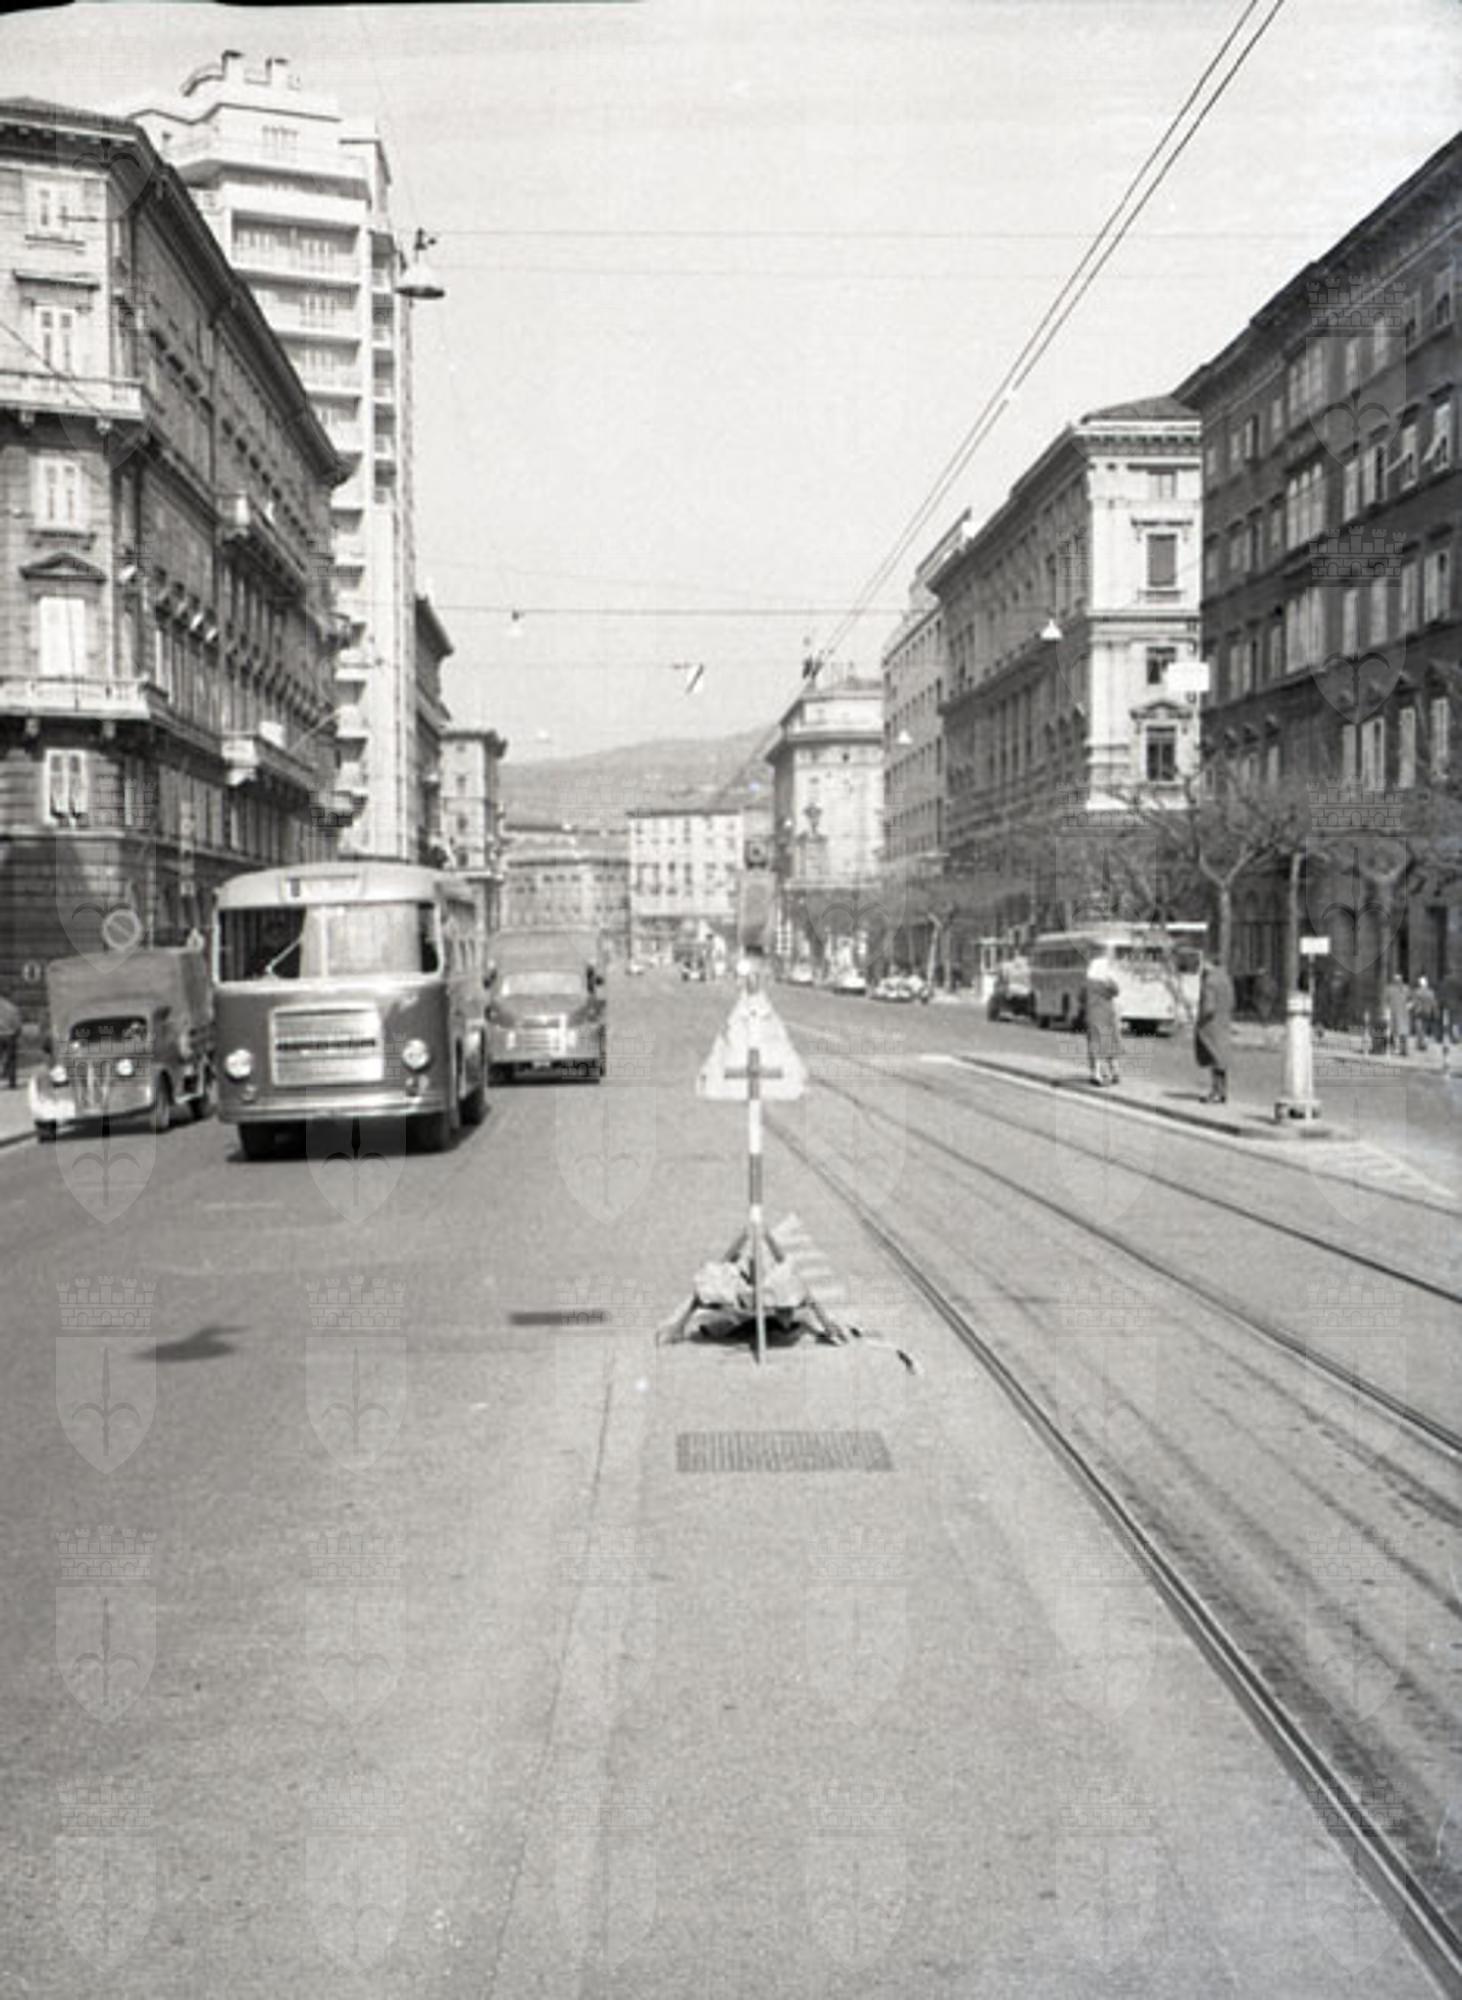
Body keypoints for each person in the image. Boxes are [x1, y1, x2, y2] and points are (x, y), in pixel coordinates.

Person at [1195, 953, 1234, 1104]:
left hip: (1211, 1024)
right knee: (1222, 1058)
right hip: (1224, 1021)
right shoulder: (1226, 979)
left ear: (1208, 963)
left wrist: (1200, 1019)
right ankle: (1223, 1091)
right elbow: (1233, 1001)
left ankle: (1215, 1092)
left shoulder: (1210, 981)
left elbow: (1208, 1007)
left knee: (1213, 1058)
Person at [1083, 953, 1122, 1087]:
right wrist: (1109, 979)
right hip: (1108, 1016)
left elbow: (1080, 997)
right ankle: (1115, 1072)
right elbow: (1116, 991)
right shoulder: (1107, 983)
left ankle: (1097, 1074)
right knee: (1110, 1043)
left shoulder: (1087, 984)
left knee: (1095, 1045)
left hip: (1093, 1016)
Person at [1384, 970, 1411, 1058]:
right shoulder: (1390, 989)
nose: (1398, 982)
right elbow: (1386, 1001)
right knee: (1396, 1032)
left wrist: (1408, 1006)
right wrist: (1387, 1011)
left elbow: (1411, 1000)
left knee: (1401, 1032)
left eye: (1399, 980)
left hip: (1402, 1013)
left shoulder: (1405, 989)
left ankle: (1403, 1049)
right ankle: (1397, 1049)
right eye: (1396, 980)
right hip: (1394, 1013)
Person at [1410, 974, 1437, 1052]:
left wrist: (1411, 1008)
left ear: (1420, 983)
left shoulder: (1417, 991)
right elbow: (1433, 1003)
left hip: (1419, 1011)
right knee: (1424, 1028)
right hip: (1427, 1012)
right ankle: (1423, 1043)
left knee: (1419, 1028)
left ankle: (1420, 1043)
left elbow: (1414, 1002)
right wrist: (1434, 1011)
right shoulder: (1431, 992)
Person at [0, 993, 20, 1089]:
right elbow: (18, 1024)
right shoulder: (12, 1008)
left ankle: (2, 1070)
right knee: (12, 1059)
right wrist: (16, 1034)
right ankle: (12, 1082)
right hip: (10, 1035)